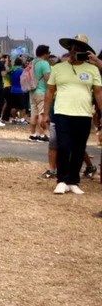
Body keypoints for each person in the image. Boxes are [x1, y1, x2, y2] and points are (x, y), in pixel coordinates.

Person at [47, 35, 102, 194]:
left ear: (86, 51)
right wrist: (45, 112)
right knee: (64, 146)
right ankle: (61, 180)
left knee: (79, 148)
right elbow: (50, 91)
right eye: (71, 47)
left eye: (78, 48)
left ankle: (73, 180)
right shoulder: (58, 68)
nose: (74, 51)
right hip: (63, 112)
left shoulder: (92, 69)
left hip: (84, 114)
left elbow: (98, 93)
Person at [30, 45, 52, 141]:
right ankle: (42, 135)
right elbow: (48, 79)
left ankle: (33, 134)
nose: (49, 55)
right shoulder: (44, 64)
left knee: (33, 113)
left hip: (32, 91)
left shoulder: (32, 63)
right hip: (42, 91)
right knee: (41, 114)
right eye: (48, 53)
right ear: (45, 53)